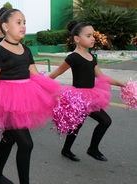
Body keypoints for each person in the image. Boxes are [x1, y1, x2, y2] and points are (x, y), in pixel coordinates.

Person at [0, 9, 60, 184]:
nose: (23, 26)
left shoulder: (25, 49)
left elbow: (35, 75)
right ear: (6, 26)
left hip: (25, 98)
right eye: (18, 22)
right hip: (7, 102)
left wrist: (54, 90)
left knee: (9, 137)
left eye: (24, 22)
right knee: (26, 143)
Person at [49, 21, 125, 162]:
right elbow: (57, 73)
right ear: (77, 39)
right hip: (78, 98)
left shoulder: (92, 57)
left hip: (91, 95)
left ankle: (69, 150)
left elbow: (101, 77)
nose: (93, 38)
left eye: (93, 35)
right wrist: (40, 83)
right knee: (103, 121)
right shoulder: (73, 57)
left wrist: (121, 84)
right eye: (88, 35)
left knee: (79, 124)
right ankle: (91, 149)